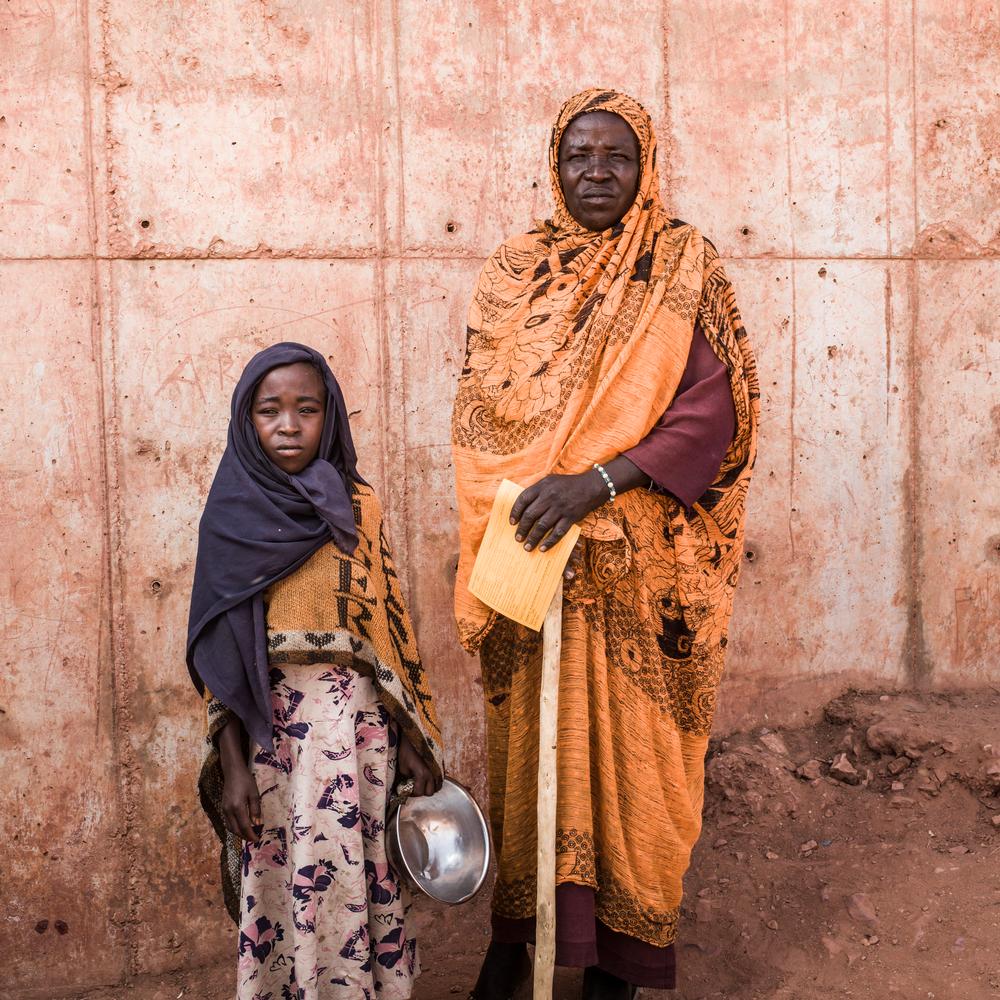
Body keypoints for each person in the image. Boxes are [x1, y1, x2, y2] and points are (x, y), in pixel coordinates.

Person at [452, 90, 759, 998]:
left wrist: (596, 483)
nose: (597, 171)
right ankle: (517, 946)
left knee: (634, 760)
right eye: (580, 153)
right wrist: (531, 491)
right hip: (528, 558)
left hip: (640, 571)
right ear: (556, 162)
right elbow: (480, 414)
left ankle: (614, 969)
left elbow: (715, 412)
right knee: (530, 756)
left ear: (645, 166)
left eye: (616, 156)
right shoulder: (514, 272)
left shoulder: (682, 264)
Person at [187, 342, 444, 1000]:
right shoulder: (231, 517)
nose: (289, 425)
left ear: (329, 416)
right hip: (273, 742)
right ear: (247, 420)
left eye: (307, 408)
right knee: (284, 883)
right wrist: (235, 766)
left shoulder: (360, 507)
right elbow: (220, 652)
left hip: (361, 739)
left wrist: (414, 736)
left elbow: (388, 623)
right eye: (269, 410)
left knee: (362, 875)